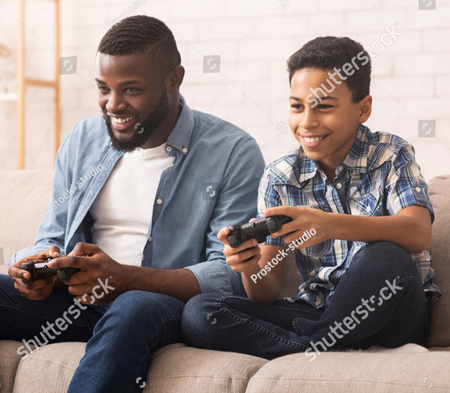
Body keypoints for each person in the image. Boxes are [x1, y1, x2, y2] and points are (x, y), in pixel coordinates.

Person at [0, 15, 265, 392]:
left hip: (157, 306)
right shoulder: (84, 139)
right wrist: (36, 267)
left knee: (134, 304)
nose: (113, 104)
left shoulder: (232, 151)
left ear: (174, 79)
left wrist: (124, 278)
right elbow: (52, 234)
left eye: (131, 89)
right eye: (103, 88)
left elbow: (227, 276)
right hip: (77, 301)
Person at [181, 36, 441, 361]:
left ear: (363, 108)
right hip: (318, 311)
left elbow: (417, 233)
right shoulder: (280, 177)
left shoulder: (390, 154)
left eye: (324, 106)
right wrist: (248, 266)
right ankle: (323, 347)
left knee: (385, 256)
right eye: (296, 106)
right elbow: (265, 293)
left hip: (391, 316)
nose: (306, 122)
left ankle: (313, 346)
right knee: (200, 312)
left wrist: (330, 225)